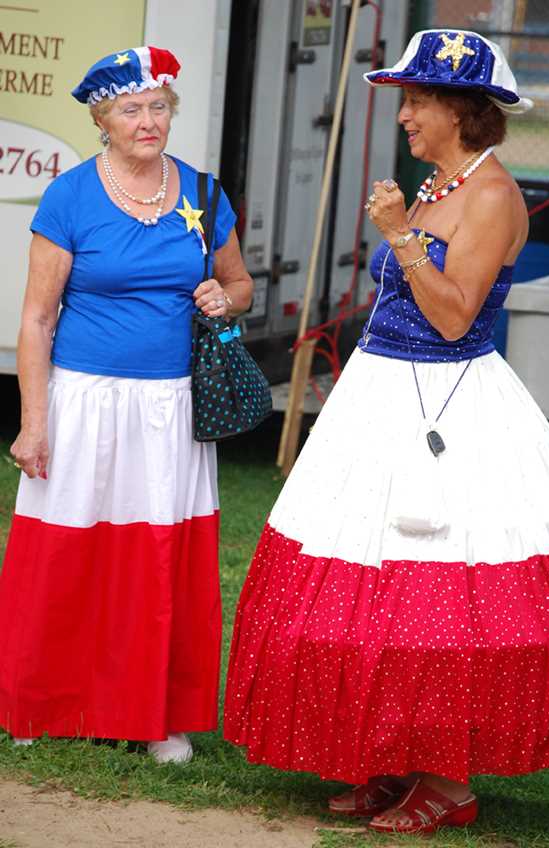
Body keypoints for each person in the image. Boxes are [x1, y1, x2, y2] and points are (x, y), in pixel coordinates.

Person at [224, 29, 549, 835]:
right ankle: (394, 756)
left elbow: (453, 318)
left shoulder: (491, 196)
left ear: (459, 108)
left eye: (417, 101)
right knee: (371, 584)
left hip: (447, 405)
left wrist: (398, 234)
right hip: (386, 396)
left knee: (439, 583)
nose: (405, 116)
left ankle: (447, 780)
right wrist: (405, 226)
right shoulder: (440, 180)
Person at [0, 46, 253, 764]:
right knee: (63, 553)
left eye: (159, 107)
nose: (148, 121)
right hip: (83, 400)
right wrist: (34, 419)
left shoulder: (203, 193)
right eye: (131, 109)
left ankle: (155, 715)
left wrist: (221, 296)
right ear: (102, 119)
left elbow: (240, 287)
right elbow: (36, 319)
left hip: (170, 406)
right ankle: (42, 701)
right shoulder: (71, 196)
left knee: (160, 558)